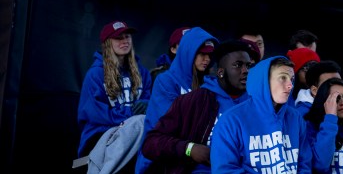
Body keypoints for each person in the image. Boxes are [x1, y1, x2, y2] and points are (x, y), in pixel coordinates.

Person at [141, 40, 253, 173]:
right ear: (221, 72)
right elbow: (151, 143)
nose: (245, 71)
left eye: (248, 65)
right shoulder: (194, 100)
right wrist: (189, 148)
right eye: (238, 65)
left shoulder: (257, 104)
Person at [210, 55, 311, 173]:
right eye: (282, 78)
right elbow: (225, 170)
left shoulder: (295, 117)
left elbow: (304, 164)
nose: (290, 85)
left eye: (292, 79)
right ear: (264, 81)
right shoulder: (231, 120)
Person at [138, 27, 218, 174]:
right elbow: (169, 128)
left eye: (209, 55)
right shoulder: (165, 80)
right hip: (160, 160)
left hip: (195, 159)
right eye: (202, 53)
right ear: (189, 52)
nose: (207, 59)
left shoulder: (210, 84)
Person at [78, 20, 153, 158]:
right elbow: (96, 115)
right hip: (101, 133)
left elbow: (148, 103)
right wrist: (131, 113)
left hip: (134, 132)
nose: (124, 41)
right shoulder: (95, 74)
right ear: (107, 43)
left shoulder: (143, 73)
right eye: (118, 38)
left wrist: (148, 104)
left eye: (127, 37)